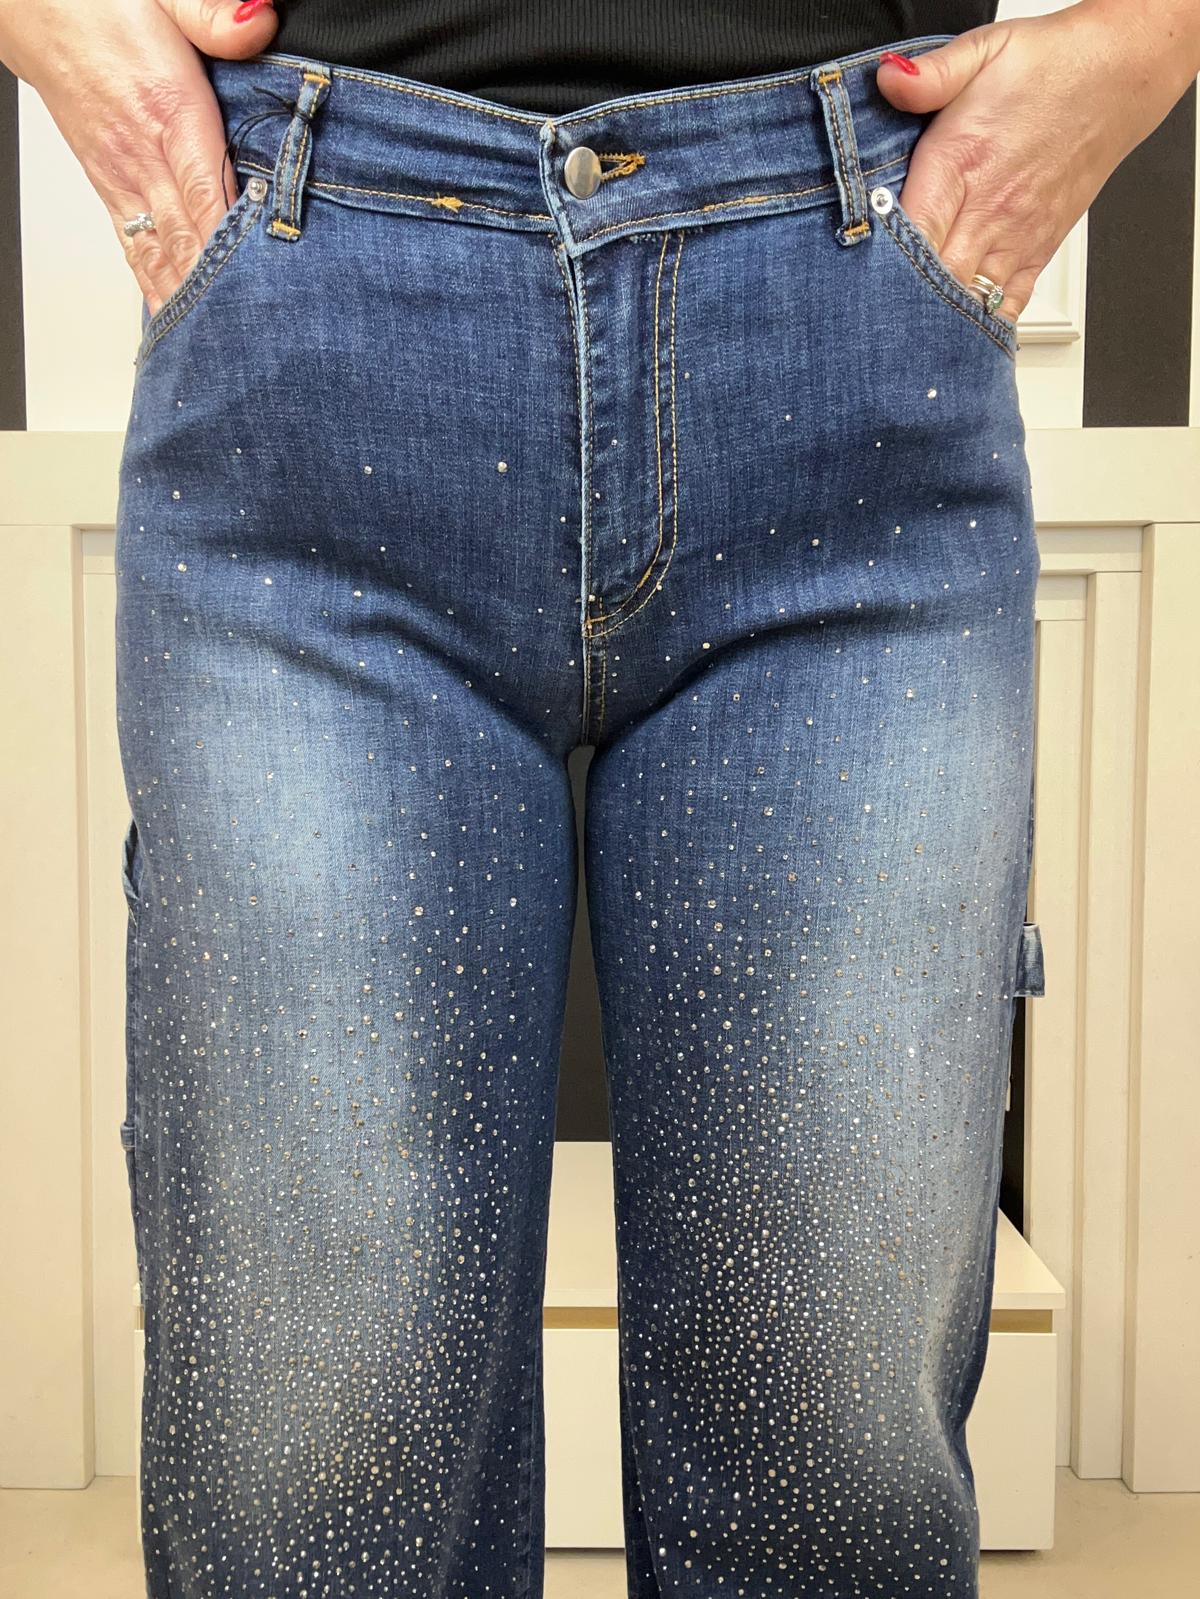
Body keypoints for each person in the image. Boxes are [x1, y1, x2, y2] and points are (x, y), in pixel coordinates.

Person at [2, 4, 1194, 1597]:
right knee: (317, 1449)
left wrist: (1152, 38)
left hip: (849, 344)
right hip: (316, 329)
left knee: (827, 1444)